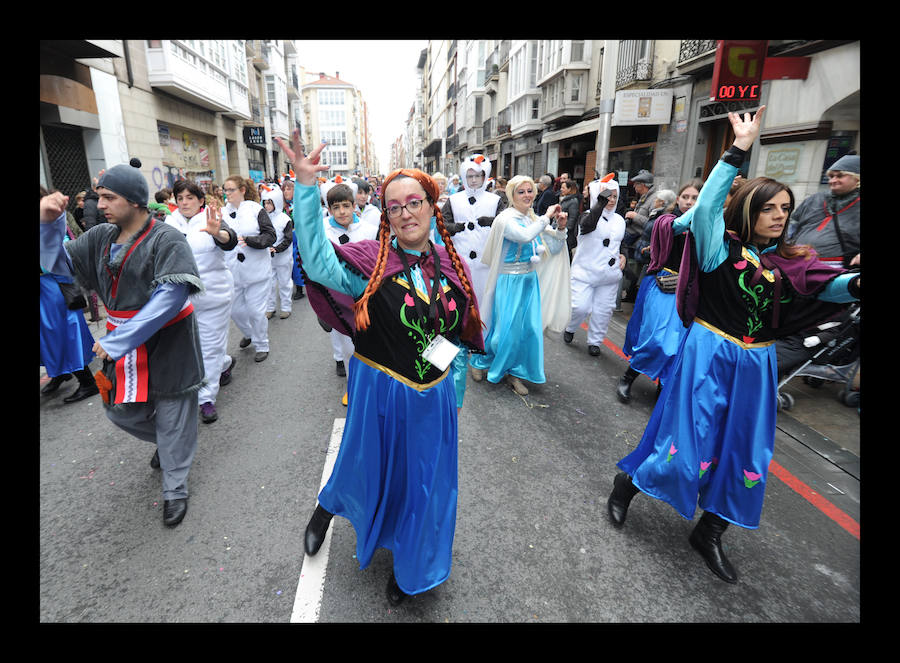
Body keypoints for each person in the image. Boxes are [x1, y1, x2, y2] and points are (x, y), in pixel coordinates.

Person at [606, 107, 861, 583]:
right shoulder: (720, 246)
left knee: (746, 454)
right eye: (769, 207)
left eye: (785, 209)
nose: (779, 216)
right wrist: (737, 149)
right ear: (749, 209)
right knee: (686, 441)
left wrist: (855, 284)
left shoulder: (792, 263)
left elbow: (832, 286)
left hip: (757, 366)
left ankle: (711, 532)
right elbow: (704, 209)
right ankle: (628, 484)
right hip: (709, 353)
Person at [275, 130, 484, 606]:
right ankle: (326, 509)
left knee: (426, 486)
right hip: (379, 390)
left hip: (433, 398)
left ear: (433, 206)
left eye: (415, 202)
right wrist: (307, 190)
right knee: (364, 464)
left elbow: (456, 336)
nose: (405, 212)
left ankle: (411, 566)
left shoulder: (451, 265)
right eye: (394, 206)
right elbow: (318, 260)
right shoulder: (371, 262)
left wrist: (452, 395)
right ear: (385, 215)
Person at [40, 159, 205, 528]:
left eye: (109, 197)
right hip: (120, 341)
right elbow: (57, 264)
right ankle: (170, 443)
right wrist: (49, 224)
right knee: (119, 409)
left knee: (173, 409)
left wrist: (120, 340)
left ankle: (175, 487)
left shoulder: (167, 238)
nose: (100, 205)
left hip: (168, 341)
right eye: (99, 197)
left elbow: (172, 297)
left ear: (134, 200)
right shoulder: (99, 238)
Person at [469, 175, 570, 395]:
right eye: (521, 192)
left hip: (528, 281)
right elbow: (524, 236)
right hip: (508, 282)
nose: (527, 195)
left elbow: (552, 247)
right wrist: (546, 217)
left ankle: (516, 372)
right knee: (503, 331)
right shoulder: (506, 219)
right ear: (512, 195)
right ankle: (479, 362)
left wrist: (560, 228)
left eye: (530, 191)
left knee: (528, 330)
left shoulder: (532, 218)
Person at [617, 179, 701, 403]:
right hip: (662, 285)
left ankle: (662, 386)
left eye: (695, 198)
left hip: (689, 291)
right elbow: (671, 229)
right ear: (678, 199)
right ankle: (629, 376)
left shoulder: (705, 227)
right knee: (655, 339)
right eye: (686, 197)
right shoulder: (666, 220)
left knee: (676, 344)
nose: (689, 202)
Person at [167, 179, 238, 424]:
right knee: (190, 347)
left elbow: (230, 240)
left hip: (213, 296)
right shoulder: (168, 223)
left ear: (200, 200)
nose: (184, 202)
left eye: (190, 197)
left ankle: (206, 399)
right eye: (180, 198)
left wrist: (218, 233)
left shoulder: (212, 216)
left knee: (209, 347)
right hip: (179, 299)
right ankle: (224, 363)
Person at [441, 154, 506, 403]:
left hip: (487, 263)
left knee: (485, 307)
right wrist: (455, 227)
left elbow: (506, 222)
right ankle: (457, 349)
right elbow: (442, 224)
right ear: (464, 176)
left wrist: (492, 222)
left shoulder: (495, 200)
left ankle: (480, 355)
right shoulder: (454, 200)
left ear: (485, 176)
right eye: (470, 175)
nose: (474, 179)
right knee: (458, 305)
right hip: (459, 262)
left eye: (478, 175)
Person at [40, 189, 99, 403]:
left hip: (52, 288)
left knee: (63, 334)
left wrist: (47, 217)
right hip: (45, 288)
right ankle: (59, 372)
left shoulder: (48, 221)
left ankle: (87, 382)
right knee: (46, 337)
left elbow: (53, 236)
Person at [320, 181, 378, 388]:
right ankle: (353, 387)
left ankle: (372, 386)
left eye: (346, 206)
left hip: (367, 297)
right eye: (336, 207)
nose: (342, 211)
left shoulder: (370, 230)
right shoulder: (323, 233)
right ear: (329, 210)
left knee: (371, 343)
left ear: (354, 206)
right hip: (338, 297)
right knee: (346, 346)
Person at [562, 174, 626, 356]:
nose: (611, 200)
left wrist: (624, 257)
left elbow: (621, 244)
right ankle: (571, 327)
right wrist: (600, 203)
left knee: (603, 311)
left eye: (614, 196)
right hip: (585, 273)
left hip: (609, 275)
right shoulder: (587, 216)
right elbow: (589, 225)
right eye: (607, 196)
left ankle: (595, 341)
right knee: (579, 307)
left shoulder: (620, 221)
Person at [223, 174, 276, 363]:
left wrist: (251, 241)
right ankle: (249, 333)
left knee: (255, 311)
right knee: (235, 311)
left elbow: (270, 235)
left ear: (242, 190)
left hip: (257, 271)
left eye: (231, 190)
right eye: (225, 190)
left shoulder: (256, 209)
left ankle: (262, 344)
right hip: (233, 272)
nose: (227, 193)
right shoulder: (222, 213)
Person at [788, 153, 860, 270]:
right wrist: (785, 246)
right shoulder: (814, 199)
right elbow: (792, 224)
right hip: (798, 264)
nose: (833, 180)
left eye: (840, 176)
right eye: (831, 176)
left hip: (837, 270)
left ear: (857, 178)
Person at [261, 184, 295, 321]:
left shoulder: (285, 219)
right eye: (265, 202)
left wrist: (277, 248)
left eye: (270, 202)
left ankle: (286, 307)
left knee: (285, 283)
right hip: (267, 258)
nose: (267, 205)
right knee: (269, 283)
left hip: (283, 258)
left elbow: (288, 239)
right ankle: (270, 308)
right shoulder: (262, 218)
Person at [558, 178, 583, 261]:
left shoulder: (573, 201)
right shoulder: (565, 198)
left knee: (566, 252)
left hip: (567, 231)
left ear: (570, 189)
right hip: (561, 228)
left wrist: (566, 229)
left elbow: (572, 217)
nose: (561, 189)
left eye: (563, 188)